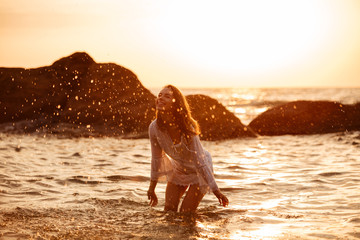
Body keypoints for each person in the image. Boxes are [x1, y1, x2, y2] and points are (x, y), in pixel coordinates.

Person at [147, 85, 229, 213]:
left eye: (167, 96)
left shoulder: (187, 127)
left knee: (186, 213)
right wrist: (151, 188)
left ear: (176, 104)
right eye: (159, 95)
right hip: (179, 169)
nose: (160, 98)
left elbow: (200, 162)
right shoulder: (154, 128)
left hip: (199, 170)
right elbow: (156, 158)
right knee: (169, 211)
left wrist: (217, 192)